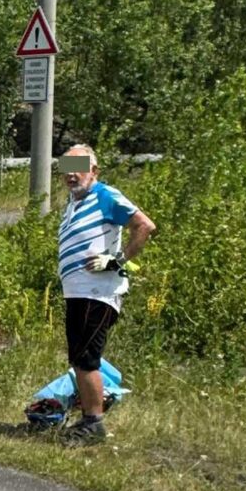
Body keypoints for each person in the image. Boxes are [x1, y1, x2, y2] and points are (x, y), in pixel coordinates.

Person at [53, 144, 156, 445]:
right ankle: (89, 416)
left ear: (94, 171)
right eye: (66, 169)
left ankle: (94, 424)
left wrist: (116, 261)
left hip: (97, 291)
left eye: (79, 168)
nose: (71, 175)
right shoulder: (73, 203)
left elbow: (145, 226)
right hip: (78, 292)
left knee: (86, 358)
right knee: (79, 356)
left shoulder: (105, 195)